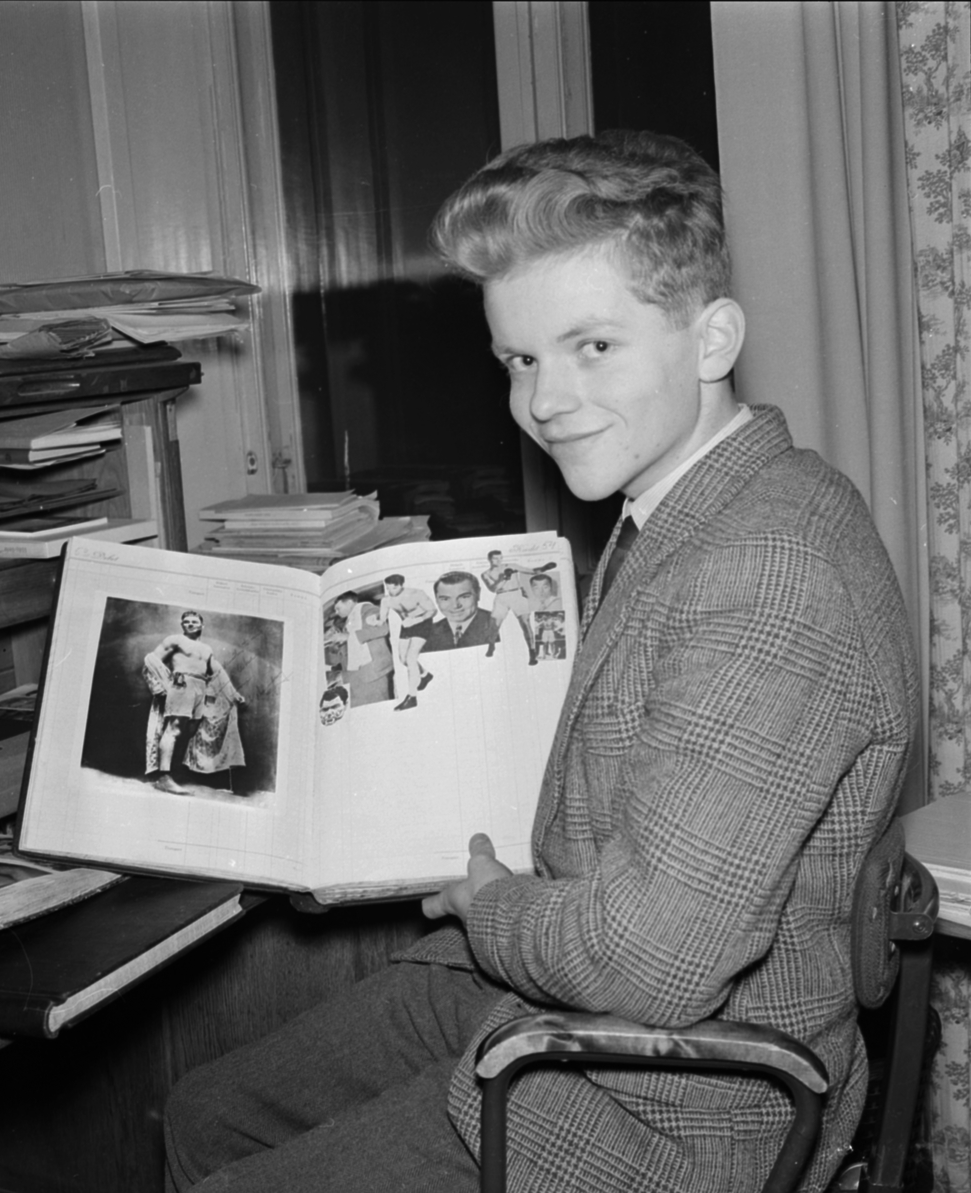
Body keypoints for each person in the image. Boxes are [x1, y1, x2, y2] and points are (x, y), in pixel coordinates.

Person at [163, 130, 916, 1193]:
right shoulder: (694, 503)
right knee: (206, 1112)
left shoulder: (766, 568)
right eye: (520, 359)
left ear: (712, 338)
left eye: (591, 347)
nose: (544, 399)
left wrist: (486, 902)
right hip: (588, 1007)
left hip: (668, 1104)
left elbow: (651, 964)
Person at [143, 611, 244, 794]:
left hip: (200, 688)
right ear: (182, 625)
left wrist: (233, 693)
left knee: (192, 730)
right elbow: (151, 660)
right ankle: (164, 777)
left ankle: (178, 772)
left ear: (201, 625)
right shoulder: (175, 640)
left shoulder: (206, 649)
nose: (190, 624)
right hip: (182, 686)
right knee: (173, 729)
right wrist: (161, 685)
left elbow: (217, 672)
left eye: (194, 622)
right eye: (186, 622)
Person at [480, 551, 555, 663]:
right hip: (501, 597)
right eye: (495, 558)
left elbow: (532, 571)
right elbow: (493, 589)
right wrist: (505, 577)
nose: (498, 561)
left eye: (500, 558)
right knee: (494, 626)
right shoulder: (486, 573)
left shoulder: (511, 566)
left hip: (517, 595)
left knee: (525, 624)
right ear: (489, 559)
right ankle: (491, 646)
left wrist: (544, 568)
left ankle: (532, 653)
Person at [375, 573, 436, 711]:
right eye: (388, 589)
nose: (391, 592)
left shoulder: (416, 593)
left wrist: (416, 620)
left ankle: (412, 697)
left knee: (411, 658)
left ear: (401, 585)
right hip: (406, 626)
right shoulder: (386, 600)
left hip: (422, 622)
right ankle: (425, 675)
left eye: (394, 589)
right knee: (403, 659)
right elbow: (381, 620)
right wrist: (375, 621)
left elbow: (432, 610)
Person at [330, 591, 395, 707]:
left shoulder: (367, 610)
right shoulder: (350, 622)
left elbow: (383, 628)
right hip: (356, 677)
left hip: (371, 675)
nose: (336, 612)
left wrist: (347, 637)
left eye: (338, 608)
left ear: (350, 603)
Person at [421, 571, 498, 653]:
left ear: (478, 594)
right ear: (436, 599)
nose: (455, 606)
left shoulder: (498, 624)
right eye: (445, 599)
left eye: (464, 597)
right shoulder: (426, 634)